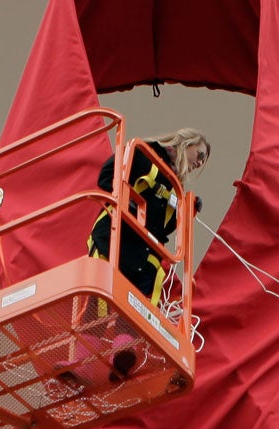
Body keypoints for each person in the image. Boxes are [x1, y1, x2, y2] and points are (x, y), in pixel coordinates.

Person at [87, 127, 208, 304]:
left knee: (128, 315)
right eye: (199, 155)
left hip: (143, 258)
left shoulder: (175, 188)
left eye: (203, 161)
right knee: (101, 301)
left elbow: (163, 228)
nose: (200, 163)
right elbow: (106, 176)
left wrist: (187, 211)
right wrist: (127, 203)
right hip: (118, 239)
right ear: (187, 142)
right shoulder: (145, 152)